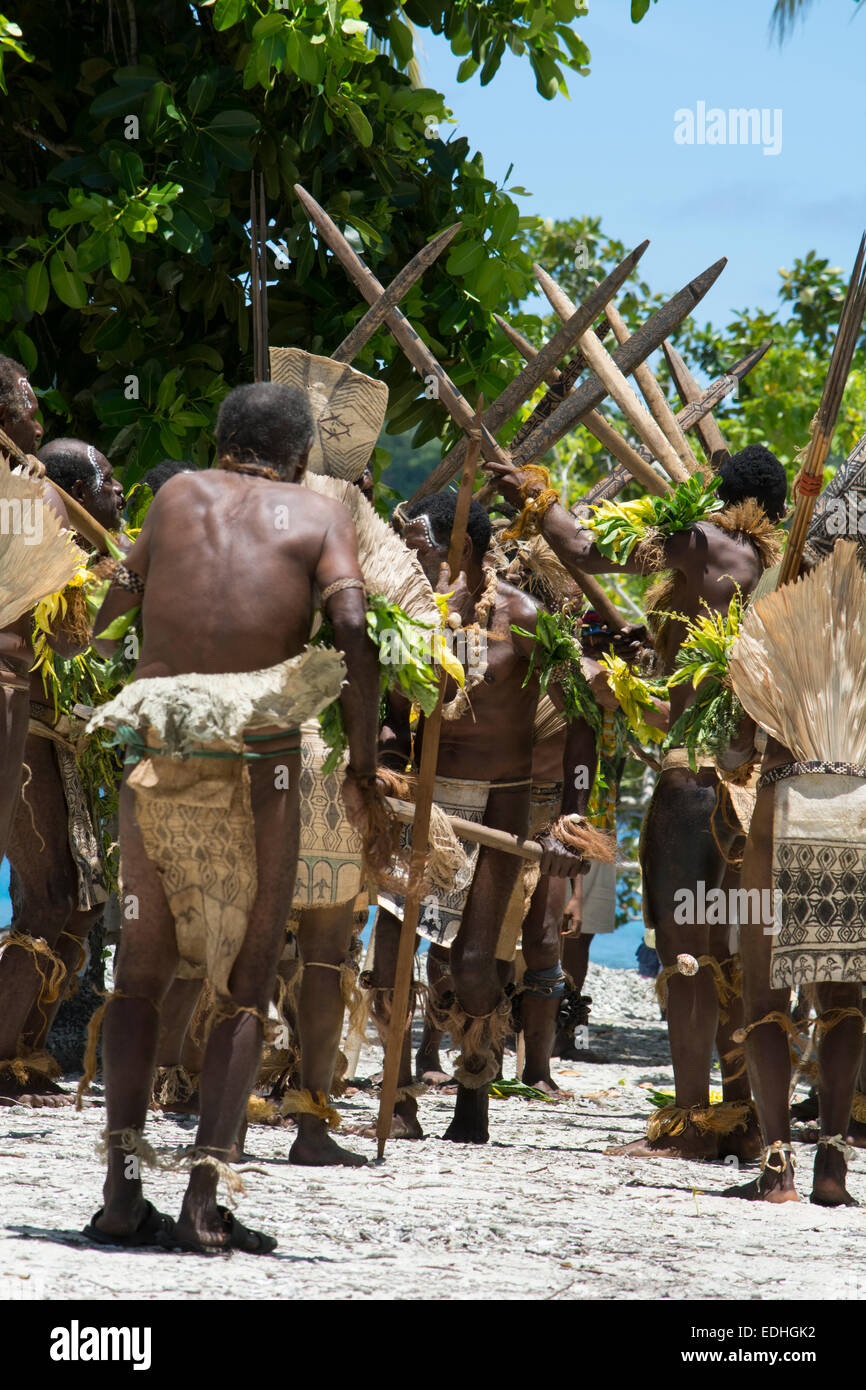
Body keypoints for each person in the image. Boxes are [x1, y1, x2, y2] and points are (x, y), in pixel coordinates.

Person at [79, 381, 385, 1253]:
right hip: (259, 762)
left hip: (159, 746)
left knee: (138, 973)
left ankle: (121, 1194)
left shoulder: (174, 495)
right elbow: (356, 627)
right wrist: (363, 758)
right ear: (299, 458)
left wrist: (110, 681)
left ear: (220, 443)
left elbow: (114, 614)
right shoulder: (320, 513)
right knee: (247, 981)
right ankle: (204, 1200)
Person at [489, 445, 788, 1159]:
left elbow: (588, 550)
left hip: (695, 784)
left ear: (719, 495)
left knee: (686, 953)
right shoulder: (778, 569)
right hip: (760, 789)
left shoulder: (707, 542)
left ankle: (691, 1125)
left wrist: (534, 492)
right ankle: (742, 1121)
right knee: (734, 950)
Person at [371, 490, 601, 1145]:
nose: (406, 559)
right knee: (391, 954)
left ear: (461, 547)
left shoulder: (525, 620)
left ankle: (473, 1089)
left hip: (500, 802)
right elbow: (390, 719)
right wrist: (383, 763)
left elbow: (583, 720)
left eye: (418, 547)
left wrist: (571, 820)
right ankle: (398, 1098)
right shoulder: (409, 622)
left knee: (474, 965)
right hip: (421, 804)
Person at [0, 367, 91, 1105]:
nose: (37, 427)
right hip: (7, 696)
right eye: (30, 413)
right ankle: (3, 1052)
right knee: (49, 893)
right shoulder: (27, 498)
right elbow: (66, 634)